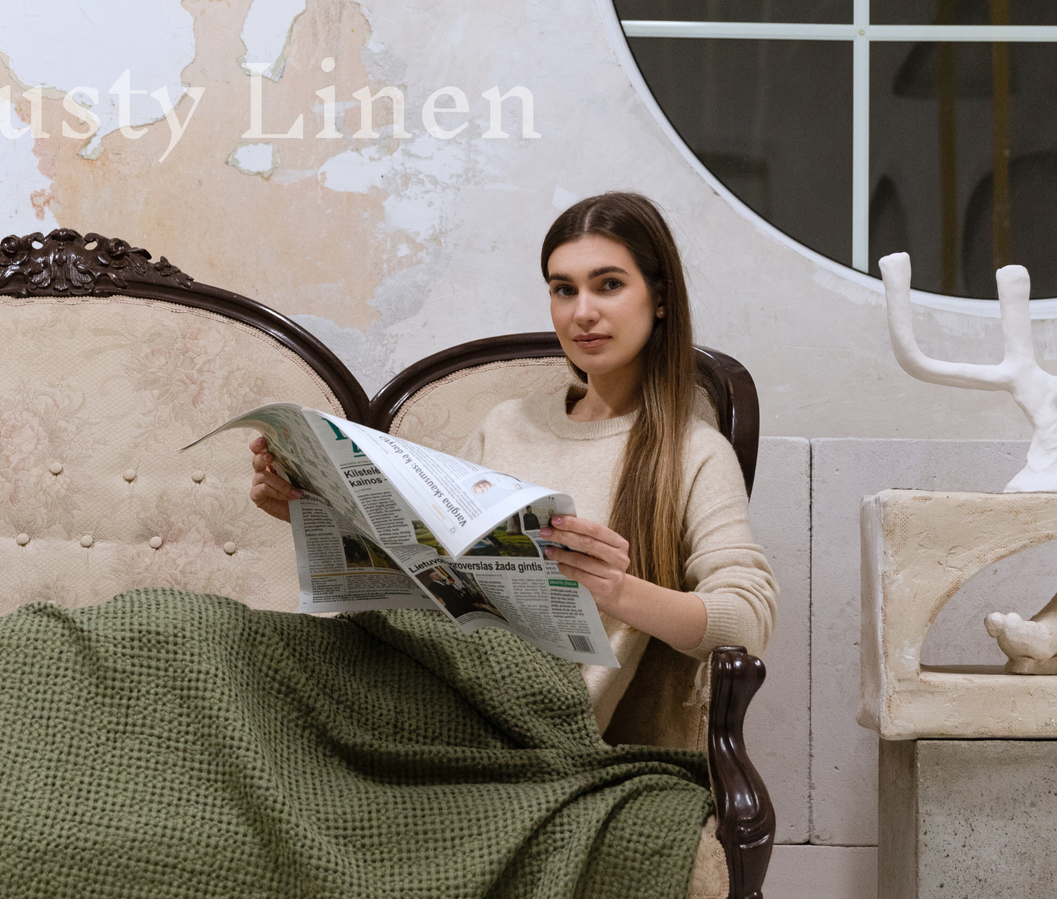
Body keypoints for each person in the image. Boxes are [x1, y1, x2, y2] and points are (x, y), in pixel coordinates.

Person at [250, 191, 776, 749]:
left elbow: (748, 621)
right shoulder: (505, 424)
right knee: (176, 627)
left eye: (609, 285)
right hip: (420, 671)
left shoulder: (693, 452)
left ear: (661, 298)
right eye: (563, 289)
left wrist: (615, 592)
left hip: (520, 723)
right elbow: (428, 569)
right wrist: (311, 512)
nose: (583, 312)